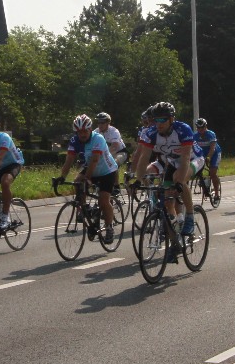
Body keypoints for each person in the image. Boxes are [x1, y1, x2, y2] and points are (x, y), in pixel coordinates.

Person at [128, 101, 202, 256]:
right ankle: (175, 242)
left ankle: (189, 216)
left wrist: (179, 183)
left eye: (163, 120)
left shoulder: (182, 129)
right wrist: (138, 179)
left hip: (193, 159)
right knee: (168, 204)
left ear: (171, 119)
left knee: (178, 178)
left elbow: (186, 157)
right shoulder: (151, 133)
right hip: (173, 162)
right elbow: (144, 157)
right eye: (156, 120)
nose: (159, 123)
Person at [57, 113, 119, 243]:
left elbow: (95, 160)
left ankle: (109, 228)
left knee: (103, 200)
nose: (82, 134)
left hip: (107, 171)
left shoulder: (98, 139)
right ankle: (84, 208)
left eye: (85, 131)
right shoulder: (74, 141)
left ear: (90, 129)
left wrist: (88, 178)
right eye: (79, 132)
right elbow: (69, 160)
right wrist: (61, 177)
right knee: (77, 182)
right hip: (91, 167)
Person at [193, 117, 221, 202]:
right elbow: (193, 149)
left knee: (212, 173)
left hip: (214, 153)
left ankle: (216, 194)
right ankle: (204, 183)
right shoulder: (195, 136)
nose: (200, 129)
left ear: (206, 126)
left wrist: (208, 158)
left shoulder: (211, 134)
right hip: (202, 153)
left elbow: (212, 149)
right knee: (198, 170)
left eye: (202, 127)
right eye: (198, 128)